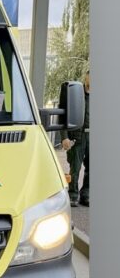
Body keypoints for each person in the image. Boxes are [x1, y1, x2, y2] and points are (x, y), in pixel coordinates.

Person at [61, 69, 90, 207]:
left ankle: (86, 194)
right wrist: (64, 137)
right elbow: (64, 116)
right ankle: (72, 195)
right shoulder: (75, 94)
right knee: (75, 167)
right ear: (86, 77)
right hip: (77, 136)